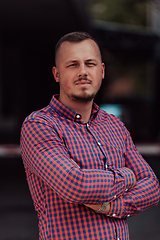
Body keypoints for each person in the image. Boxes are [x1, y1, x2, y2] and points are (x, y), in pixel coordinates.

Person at [20, 31, 160, 240]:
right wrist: (128, 176)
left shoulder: (114, 125)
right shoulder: (39, 125)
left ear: (102, 71)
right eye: (73, 65)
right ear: (57, 74)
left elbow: (152, 186)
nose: (83, 72)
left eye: (90, 63)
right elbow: (75, 185)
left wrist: (108, 206)